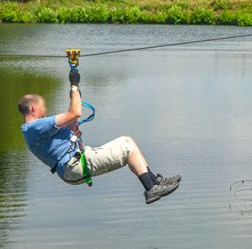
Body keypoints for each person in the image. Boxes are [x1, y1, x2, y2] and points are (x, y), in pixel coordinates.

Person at [18, 69, 181, 204]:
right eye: (42, 106)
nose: (45, 109)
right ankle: (151, 188)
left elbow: (72, 120)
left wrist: (75, 94)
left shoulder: (33, 130)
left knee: (128, 144)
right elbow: (75, 113)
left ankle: (155, 182)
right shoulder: (35, 126)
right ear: (33, 108)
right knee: (127, 145)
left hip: (72, 167)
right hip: (74, 166)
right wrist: (74, 87)